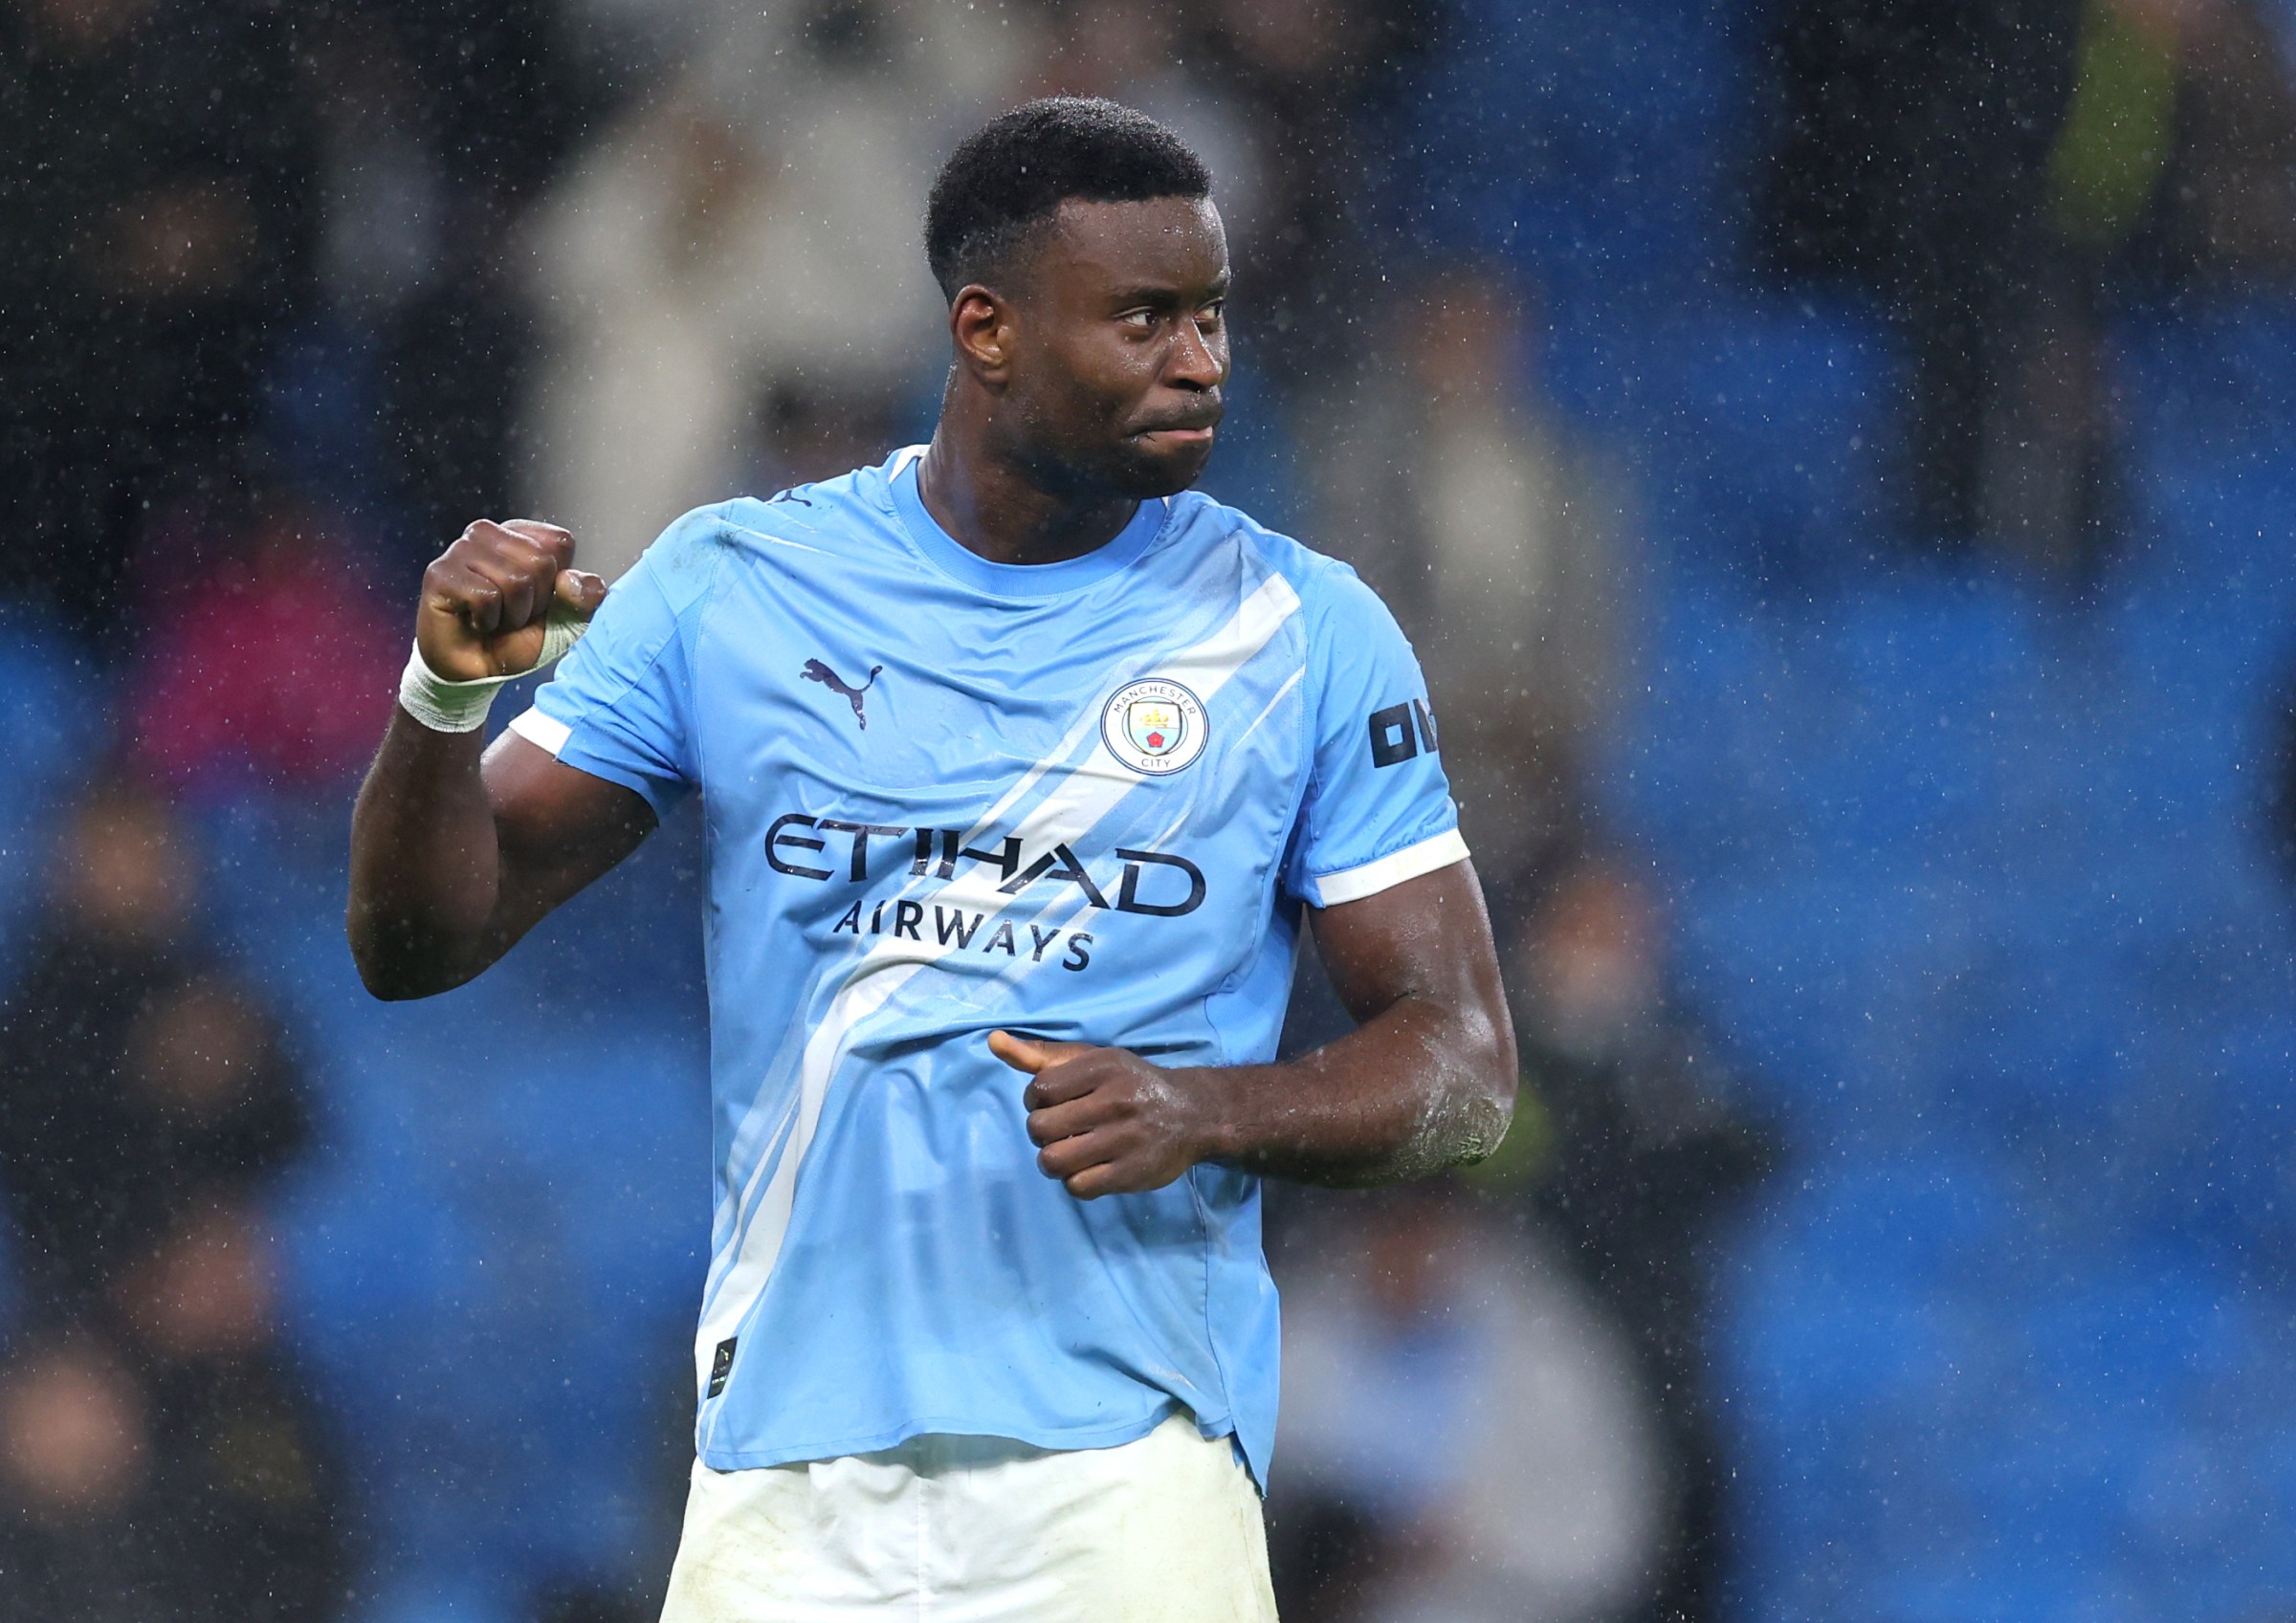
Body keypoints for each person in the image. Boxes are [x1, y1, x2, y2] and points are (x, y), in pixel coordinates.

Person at [347, 98, 1516, 1619]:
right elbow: (416, 942)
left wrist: (1207, 1107)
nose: (1203, 361)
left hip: (1128, 1471)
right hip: (785, 1481)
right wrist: (441, 697)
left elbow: (1471, 1070)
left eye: (1213, 316)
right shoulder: (736, 586)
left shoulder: (1304, 632)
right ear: (988, 329)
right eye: (1146, 318)